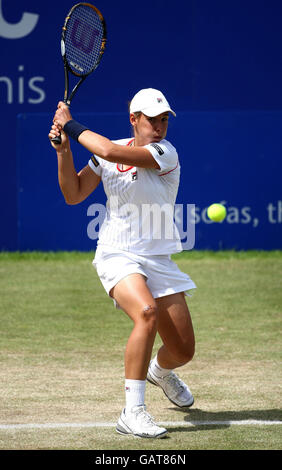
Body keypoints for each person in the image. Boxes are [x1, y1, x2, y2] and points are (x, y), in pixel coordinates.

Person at [49, 88, 196, 439]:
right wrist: (64, 152)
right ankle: (133, 412)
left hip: (157, 258)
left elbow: (108, 150)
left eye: (164, 120)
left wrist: (70, 125)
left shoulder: (164, 152)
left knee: (183, 350)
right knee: (146, 313)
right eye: (151, 119)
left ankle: (160, 371)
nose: (159, 126)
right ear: (134, 119)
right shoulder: (105, 154)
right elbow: (73, 194)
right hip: (117, 253)